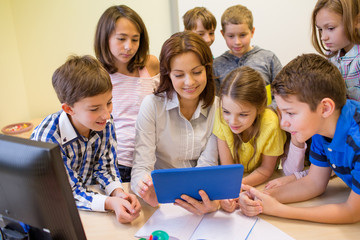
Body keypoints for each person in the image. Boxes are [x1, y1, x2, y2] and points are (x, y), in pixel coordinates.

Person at [239, 53, 360, 224]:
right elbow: (314, 183)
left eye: (291, 113)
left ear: (325, 108)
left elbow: (352, 212)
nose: (283, 124)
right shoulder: (321, 127)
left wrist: (280, 210)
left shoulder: (356, 139)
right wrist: (260, 198)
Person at [31, 55, 141, 224]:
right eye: (94, 108)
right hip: (54, 211)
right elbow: (69, 191)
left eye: (109, 102)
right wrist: (111, 203)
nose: (106, 114)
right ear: (69, 109)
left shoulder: (104, 122)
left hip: (91, 203)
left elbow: (105, 167)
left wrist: (118, 193)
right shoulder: (48, 139)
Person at [130, 31, 219, 215]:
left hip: (201, 197)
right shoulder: (152, 105)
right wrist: (144, 187)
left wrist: (206, 198)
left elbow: (208, 164)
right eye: (179, 75)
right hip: (161, 201)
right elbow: (141, 167)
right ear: (167, 74)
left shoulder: (217, 107)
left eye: (197, 72)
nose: (190, 82)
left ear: (207, 70)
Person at [94, 5, 160, 182]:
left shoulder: (150, 65)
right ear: (105, 38)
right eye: (121, 39)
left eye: (135, 39)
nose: (128, 47)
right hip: (115, 162)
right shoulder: (97, 73)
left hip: (152, 160)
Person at [213, 66, 286, 212]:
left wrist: (237, 187)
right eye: (227, 111)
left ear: (259, 108)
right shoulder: (221, 117)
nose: (232, 121)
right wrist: (230, 192)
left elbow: (266, 170)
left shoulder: (270, 123)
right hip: (235, 182)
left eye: (243, 115)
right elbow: (228, 169)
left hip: (260, 184)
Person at [213, 4, 282, 100]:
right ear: (223, 34)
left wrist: (270, 111)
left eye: (242, 35)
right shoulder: (216, 65)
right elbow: (216, 101)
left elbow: (282, 94)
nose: (237, 42)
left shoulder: (269, 58)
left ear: (252, 32)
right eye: (231, 36)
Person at [312, 0, 360, 101]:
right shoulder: (331, 55)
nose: (323, 37)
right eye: (320, 29)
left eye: (330, 28)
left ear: (356, 21)